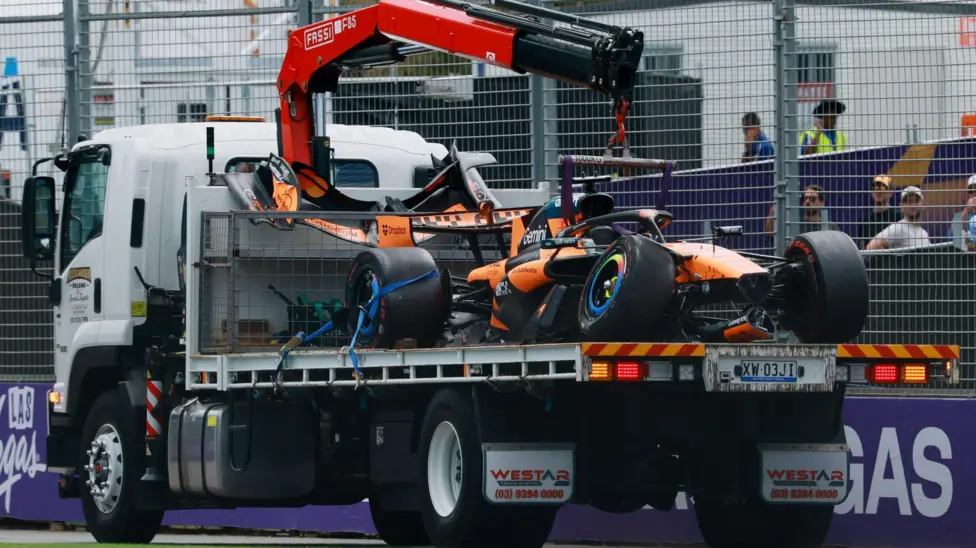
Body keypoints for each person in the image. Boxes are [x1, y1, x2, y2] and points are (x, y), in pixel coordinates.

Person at [866, 185, 931, 250]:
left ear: (923, 205)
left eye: (916, 201)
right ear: (901, 206)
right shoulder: (898, 228)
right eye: (908, 202)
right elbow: (870, 248)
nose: (912, 205)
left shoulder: (924, 233)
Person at [764, 183, 837, 235]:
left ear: (822, 203)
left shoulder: (830, 227)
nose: (807, 201)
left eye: (812, 199)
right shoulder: (794, 224)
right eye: (805, 198)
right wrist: (777, 201)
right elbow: (770, 233)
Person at [856, 174, 899, 249]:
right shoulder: (865, 220)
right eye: (875, 188)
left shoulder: (898, 217)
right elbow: (863, 249)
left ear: (891, 193)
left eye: (883, 188)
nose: (878, 191)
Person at [960, 175, 976, 252]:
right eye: (971, 191)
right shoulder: (964, 214)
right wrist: (967, 210)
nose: (974, 194)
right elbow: (961, 244)